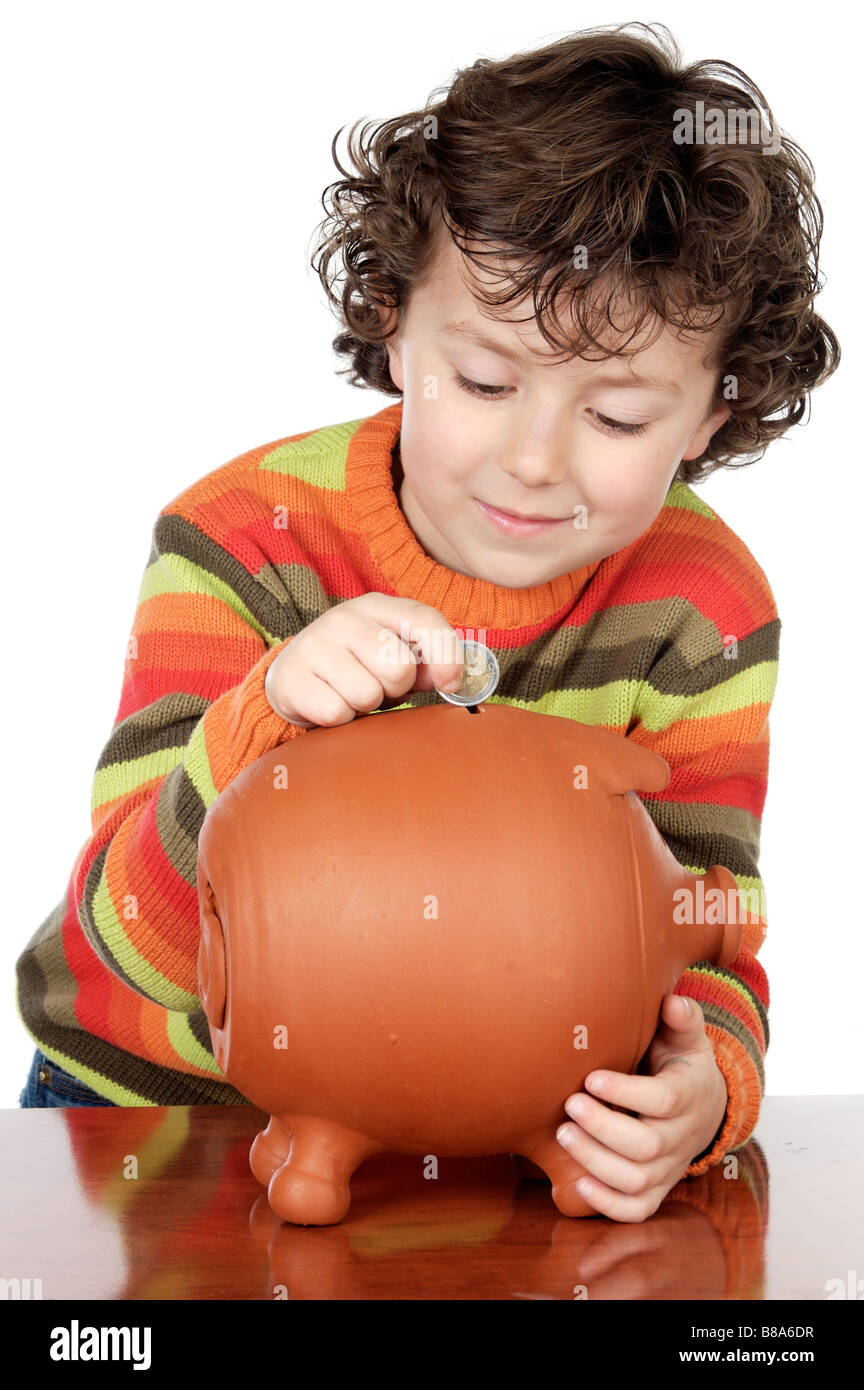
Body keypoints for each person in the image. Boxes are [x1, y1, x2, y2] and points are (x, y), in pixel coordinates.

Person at [15, 23, 838, 1222]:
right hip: (157, 1118)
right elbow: (129, 932)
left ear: (713, 415)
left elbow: (709, 918)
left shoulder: (704, 608)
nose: (535, 460)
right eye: (489, 382)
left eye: (614, 417)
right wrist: (267, 713)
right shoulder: (241, 538)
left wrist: (711, 1085)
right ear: (394, 320)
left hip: (498, 1147)